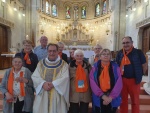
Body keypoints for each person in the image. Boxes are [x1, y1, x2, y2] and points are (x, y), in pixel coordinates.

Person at [31, 43, 70, 113]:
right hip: (43, 91)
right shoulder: (41, 63)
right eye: (50, 51)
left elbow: (65, 78)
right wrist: (43, 83)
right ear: (47, 51)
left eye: (54, 51)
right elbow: (35, 76)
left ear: (58, 51)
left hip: (57, 92)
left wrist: (53, 84)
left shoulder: (64, 64)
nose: (52, 53)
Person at [116, 36, 147, 113]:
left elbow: (144, 65)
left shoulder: (138, 52)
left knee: (135, 101)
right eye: (124, 43)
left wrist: (140, 74)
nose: (125, 44)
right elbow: (117, 65)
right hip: (122, 80)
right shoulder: (120, 53)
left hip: (134, 80)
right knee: (123, 101)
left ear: (132, 43)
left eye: (127, 42)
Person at [90, 49, 122, 113]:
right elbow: (92, 82)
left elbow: (119, 83)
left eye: (108, 54)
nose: (106, 56)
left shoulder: (116, 67)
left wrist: (111, 97)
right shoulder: (95, 68)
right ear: (100, 56)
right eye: (104, 54)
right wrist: (102, 96)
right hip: (99, 96)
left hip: (112, 97)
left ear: (111, 56)